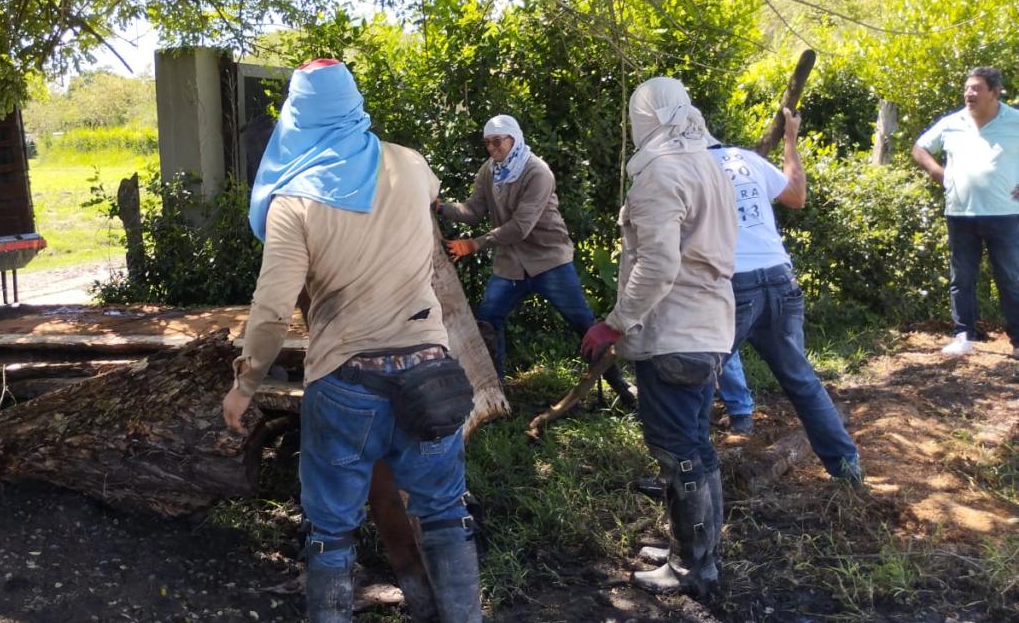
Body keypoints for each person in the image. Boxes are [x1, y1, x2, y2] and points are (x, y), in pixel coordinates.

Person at [221, 60, 481, 622]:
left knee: (331, 528)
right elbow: (431, 199)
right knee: (445, 513)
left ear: (297, 115)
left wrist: (244, 386)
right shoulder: (411, 165)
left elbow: (271, 309)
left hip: (345, 381)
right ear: (353, 103)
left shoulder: (293, 202)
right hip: (429, 370)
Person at [579, 77, 736, 597]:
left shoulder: (660, 174)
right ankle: (694, 550)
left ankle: (694, 568)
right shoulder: (709, 165)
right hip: (710, 329)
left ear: (644, 117)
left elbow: (659, 263)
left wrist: (615, 321)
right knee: (696, 446)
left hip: (673, 331)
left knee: (679, 452)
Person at [707, 109, 863, 482]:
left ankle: (688, 476)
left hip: (733, 285)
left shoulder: (691, 167)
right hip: (780, 279)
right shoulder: (747, 159)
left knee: (698, 380)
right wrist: (791, 141)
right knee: (801, 379)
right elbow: (796, 195)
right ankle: (847, 468)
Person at [437, 115, 635, 399]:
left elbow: (520, 227)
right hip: (511, 265)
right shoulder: (489, 171)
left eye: (497, 142)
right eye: (487, 143)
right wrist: (441, 207)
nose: (492, 148)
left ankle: (621, 387)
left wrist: (474, 245)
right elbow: (473, 210)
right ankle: (495, 391)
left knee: (582, 322)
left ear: (513, 140)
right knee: (489, 321)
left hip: (549, 260)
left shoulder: (536, 172)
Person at [912, 66, 1019, 358]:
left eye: (976, 88)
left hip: (1005, 214)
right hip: (960, 213)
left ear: (994, 93)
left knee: (1011, 277)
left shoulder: (1014, 120)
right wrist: (938, 173)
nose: (969, 93)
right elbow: (920, 148)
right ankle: (963, 335)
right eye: (967, 88)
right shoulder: (952, 123)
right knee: (962, 278)